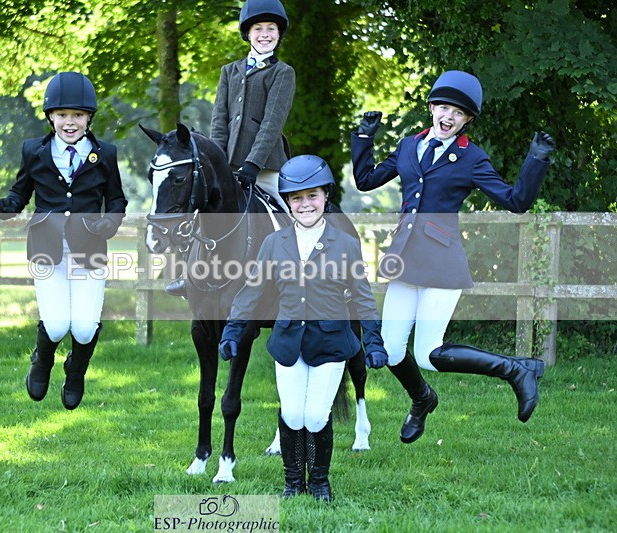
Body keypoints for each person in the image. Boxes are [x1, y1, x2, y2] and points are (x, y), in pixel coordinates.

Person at [350, 70, 556, 444]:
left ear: (467, 120)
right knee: (392, 349)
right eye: (443, 107)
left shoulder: (472, 158)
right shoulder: (408, 147)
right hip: (403, 263)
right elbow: (365, 180)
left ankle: (515, 370)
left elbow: (516, 201)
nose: (448, 116)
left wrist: (536, 159)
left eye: (457, 113)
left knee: (428, 354)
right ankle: (423, 399)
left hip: (442, 265)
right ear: (431, 108)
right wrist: (364, 137)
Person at [219, 155, 388, 502]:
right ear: (288, 203)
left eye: (312, 196)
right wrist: (232, 332)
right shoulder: (274, 244)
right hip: (289, 341)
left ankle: (321, 482)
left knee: (314, 415)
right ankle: (293, 482)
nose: (305, 204)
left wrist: (373, 341)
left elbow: (362, 298)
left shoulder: (346, 245)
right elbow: (252, 290)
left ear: (325, 197)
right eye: (296, 198)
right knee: (293, 413)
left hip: (330, 341)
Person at [0, 71, 127, 411]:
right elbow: (20, 190)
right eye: (63, 115)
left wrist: (110, 223)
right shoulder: (33, 151)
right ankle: (42, 360)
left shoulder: (105, 153)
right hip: (46, 249)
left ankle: (76, 370)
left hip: (90, 250)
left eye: (78, 116)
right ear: (50, 116)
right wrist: (10, 205)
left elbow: (117, 200)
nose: (70, 123)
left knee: (82, 329)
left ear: (88, 118)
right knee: (55, 324)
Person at [165, 0, 294, 297]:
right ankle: (189, 275)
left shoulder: (282, 73)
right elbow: (219, 120)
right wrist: (216, 161)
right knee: (201, 211)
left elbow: (272, 124)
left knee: (288, 212)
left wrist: (253, 164)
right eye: (258, 28)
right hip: (227, 166)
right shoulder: (229, 71)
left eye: (271, 29)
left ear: (279, 34)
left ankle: (294, 276)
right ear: (247, 34)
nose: (265, 34)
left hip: (265, 167)